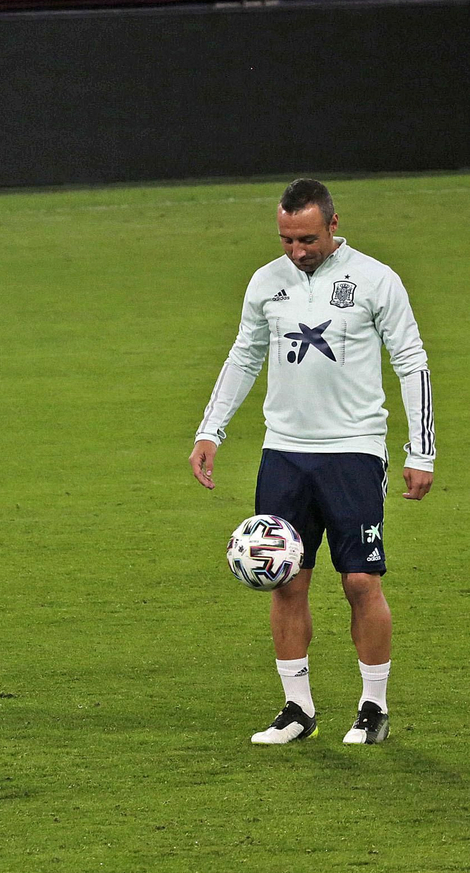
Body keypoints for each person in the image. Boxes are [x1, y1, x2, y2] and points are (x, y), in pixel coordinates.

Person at [189, 178, 434, 746]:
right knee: (286, 581)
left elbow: (412, 362)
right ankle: (297, 709)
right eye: (285, 240)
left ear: (332, 224)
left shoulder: (375, 279)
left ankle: (372, 708)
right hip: (284, 452)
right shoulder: (266, 282)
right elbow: (244, 356)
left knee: (359, 580)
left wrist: (421, 451)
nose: (297, 251)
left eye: (306, 239)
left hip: (352, 449)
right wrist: (210, 430)